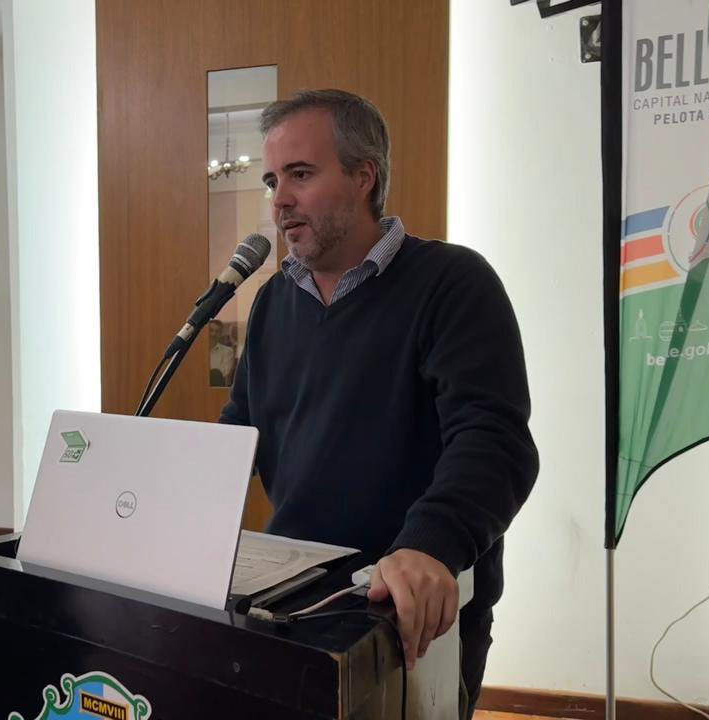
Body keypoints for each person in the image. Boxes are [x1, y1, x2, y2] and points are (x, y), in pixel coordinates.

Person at [218, 89, 538, 718]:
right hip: (293, 599)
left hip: (405, 608)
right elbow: (240, 429)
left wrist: (431, 544)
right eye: (272, 180)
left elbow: (494, 440)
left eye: (300, 174)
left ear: (364, 176)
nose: (279, 200)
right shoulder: (273, 303)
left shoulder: (452, 283)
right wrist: (173, 511)